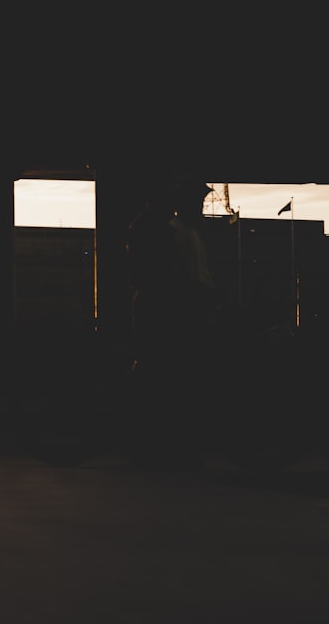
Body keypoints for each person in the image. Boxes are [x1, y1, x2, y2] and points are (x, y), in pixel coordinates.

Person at [126, 174, 218, 466]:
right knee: (167, 372)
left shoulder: (167, 230)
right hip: (165, 310)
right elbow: (174, 277)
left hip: (167, 307)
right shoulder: (168, 232)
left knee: (166, 374)